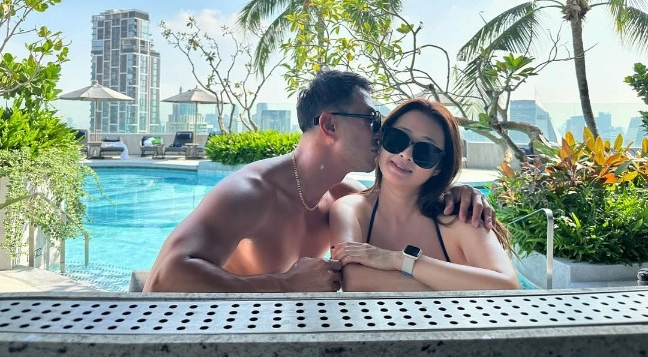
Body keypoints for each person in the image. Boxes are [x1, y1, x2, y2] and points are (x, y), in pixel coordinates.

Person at [144, 70, 495, 293]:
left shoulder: (343, 197)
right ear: (329, 124)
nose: (381, 133)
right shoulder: (250, 193)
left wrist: (457, 193)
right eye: (372, 120)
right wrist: (283, 285)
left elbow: (406, 205)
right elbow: (164, 278)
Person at [330, 98, 520, 291]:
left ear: (439, 167)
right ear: (380, 140)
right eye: (397, 138)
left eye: (425, 151)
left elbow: (508, 287)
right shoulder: (351, 210)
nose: (406, 154)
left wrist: (400, 260)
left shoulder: (459, 216)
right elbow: (353, 281)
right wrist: (451, 283)